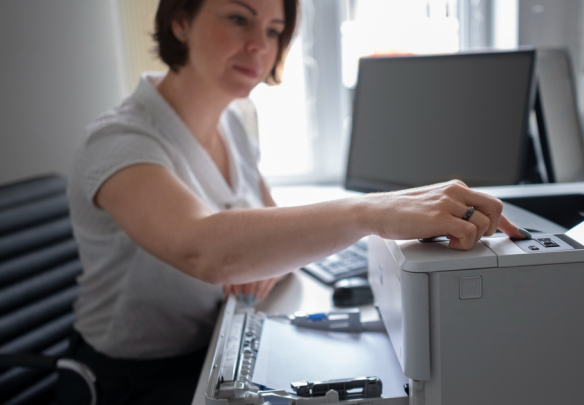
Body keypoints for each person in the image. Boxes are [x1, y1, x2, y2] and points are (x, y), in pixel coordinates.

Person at [59, 0, 524, 403]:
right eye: (239, 19)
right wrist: (373, 211)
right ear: (181, 21)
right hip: (131, 379)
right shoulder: (119, 141)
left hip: (220, 342)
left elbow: (266, 226)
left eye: (274, 30)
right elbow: (203, 249)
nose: (260, 45)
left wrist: (262, 261)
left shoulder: (233, 122)